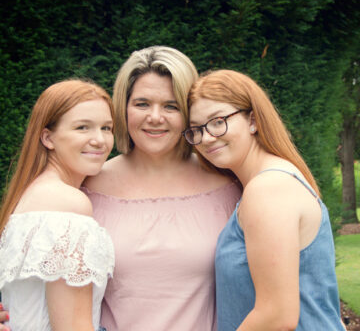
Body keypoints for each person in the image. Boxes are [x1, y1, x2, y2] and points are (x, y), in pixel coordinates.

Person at [81, 46, 242, 330]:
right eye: (142, 104)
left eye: (171, 106)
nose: (155, 117)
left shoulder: (229, 186)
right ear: (123, 107)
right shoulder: (86, 186)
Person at [183, 69, 345, 330]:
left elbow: (277, 315)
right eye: (197, 129)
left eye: (218, 121)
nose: (207, 137)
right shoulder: (267, 183)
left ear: (253, 120)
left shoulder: (268, 189)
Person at [0, 80, 115, 331]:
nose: (100, 140)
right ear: (48, 138)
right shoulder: (67, 204)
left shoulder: (31, 195)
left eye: (107, 128)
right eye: (82, 127)